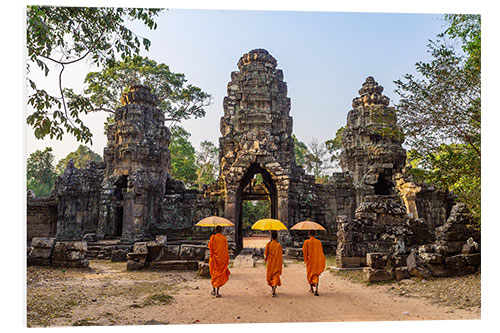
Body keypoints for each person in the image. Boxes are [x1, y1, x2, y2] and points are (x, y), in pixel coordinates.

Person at [208, 225, 230, 297]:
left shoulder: (213, 238)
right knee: (219, 275)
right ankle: (217, 292)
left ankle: (213, 290)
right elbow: (226, 250)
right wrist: (226, 258)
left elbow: (210, 248)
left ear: (215, 230)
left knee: (214, 274)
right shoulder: (224, 239)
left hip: (214, 259)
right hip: (221, 260)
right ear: (221, 230)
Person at [302, 230, 326, 296]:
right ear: (315, 234)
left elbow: (304, 251)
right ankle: (317, 289)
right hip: (316, 261)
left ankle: (311, 288)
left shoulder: (306, 242)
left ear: (309, 234)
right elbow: (321, 252)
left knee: (310, 274)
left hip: (310, 261)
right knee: (316, 275)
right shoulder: (318, 242)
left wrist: (305, 259)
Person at [264, 231, 283, 297]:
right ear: (277, 237)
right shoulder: (278, 245)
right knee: (276, 276)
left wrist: (266, 260)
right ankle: (274, 289)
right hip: (277, 263)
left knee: (271, 276)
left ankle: (273, 289)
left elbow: (266, 253)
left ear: (271, 237)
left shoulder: (268, 244)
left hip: (270, 263)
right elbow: (280, 255)